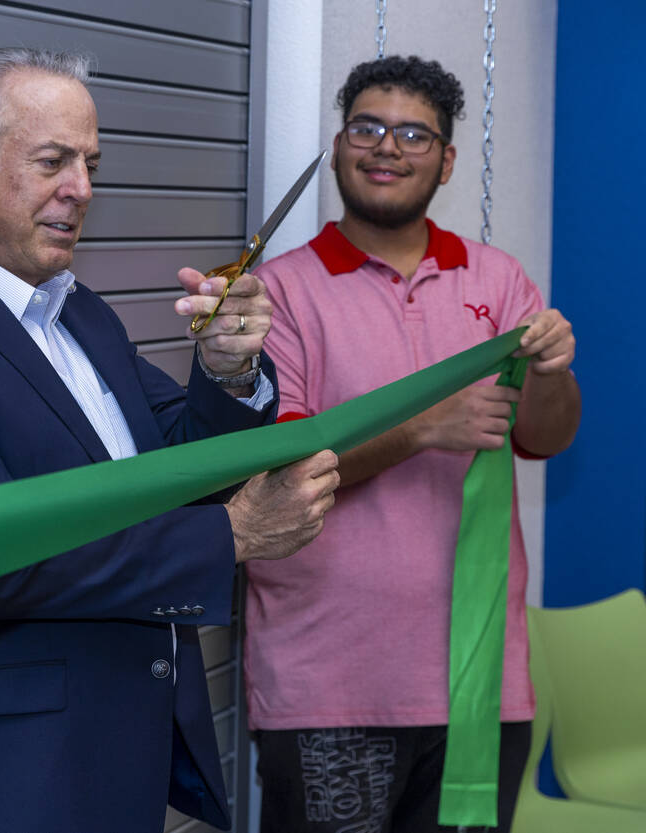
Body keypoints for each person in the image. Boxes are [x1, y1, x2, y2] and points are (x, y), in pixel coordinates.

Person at [0, 47, 339, 833]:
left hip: (109, 766)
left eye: (90, 163)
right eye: (53, 160)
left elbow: (171, 457)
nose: (82, 190)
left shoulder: (76, 311)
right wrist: (234, 534)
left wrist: (228, 376)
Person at [247, 55, 581, 833]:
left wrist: (554, 370)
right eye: (366, 127)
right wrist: (423, 429)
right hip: (329, 690)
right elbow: (282, 474)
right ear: (336, 146)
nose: (386, 147)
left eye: (412, 133)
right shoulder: (282, 292)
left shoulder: (497, 280)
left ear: (447, 159)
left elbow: (546, 435)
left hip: (480, 686)